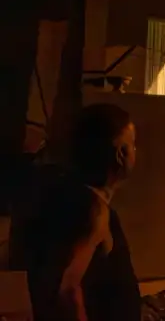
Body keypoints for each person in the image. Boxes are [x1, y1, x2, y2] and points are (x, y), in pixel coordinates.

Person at [8, 103, 141, 321]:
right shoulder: (93, 212)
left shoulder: (66, 199)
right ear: (121, 154)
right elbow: (66, 290)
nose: (135, 151)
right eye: (132, 145)